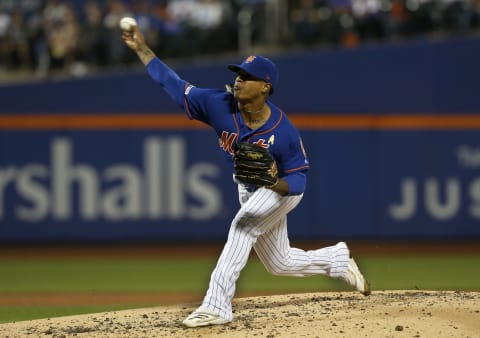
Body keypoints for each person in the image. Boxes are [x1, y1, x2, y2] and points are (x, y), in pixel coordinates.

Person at [122, 25, 371, 328]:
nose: (239, 80)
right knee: (279, 263)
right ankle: (337, 260)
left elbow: (299, 179)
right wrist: (142, 50)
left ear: (265, 87)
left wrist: (275, 183)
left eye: (247, 76)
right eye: (238, 74)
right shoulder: (218, 105)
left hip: (281, 191)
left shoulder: (283, 131)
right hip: (249, 189)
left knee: (242, 226)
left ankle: (217, 306)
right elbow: (174, 85)